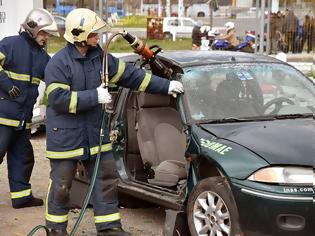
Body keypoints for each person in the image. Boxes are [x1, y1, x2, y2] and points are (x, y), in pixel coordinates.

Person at [44, 8, 184, 236]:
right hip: (66, 137)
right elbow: (58, 100)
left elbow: (133, 76)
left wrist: (165, 86)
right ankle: (55, 229)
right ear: (79, 35)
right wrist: (93, 96)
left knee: (106, 182)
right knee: (61, 186)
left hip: (96, 134)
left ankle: (109, 228)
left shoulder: (102, 58)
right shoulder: (58, 64)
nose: (98, 38)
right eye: (93, 34)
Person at [0, 9, 59, 209]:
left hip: (22, 120)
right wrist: (6, 84)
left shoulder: (43, 57)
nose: (46, 38)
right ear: (33, 29)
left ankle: (21, 197)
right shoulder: (10, 44)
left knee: (23, 157)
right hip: (3, 118)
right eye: (44, 33)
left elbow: (56, 78)